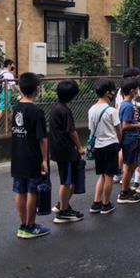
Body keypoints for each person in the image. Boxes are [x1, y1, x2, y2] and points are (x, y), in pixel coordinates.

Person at [11, 72, 50, 239]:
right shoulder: (37, 112)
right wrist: (44, 160)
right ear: (37, 89)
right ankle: (31, 226)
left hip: (17, 155)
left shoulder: (16, 108)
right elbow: (42, 138)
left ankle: (22, 225)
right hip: (33, 156)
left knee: (20, 191)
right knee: (32, 190)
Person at [49, 80, 85, 223]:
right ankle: (63, 212)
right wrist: (80, 147)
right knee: (67, 182)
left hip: (58, 149)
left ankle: (62, 205)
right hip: (66, 150)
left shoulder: (56, 107)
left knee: (67, 179)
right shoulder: (64, 110)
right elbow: (71, 131)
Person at [88, 80, 122, 215]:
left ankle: (96, 203)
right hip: (111, 144)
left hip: (98, 146)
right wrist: (119, 142)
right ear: (108, 93)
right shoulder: (111, 111)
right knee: (109, 175)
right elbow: (118, 130)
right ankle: (106, 204)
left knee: (101, 175)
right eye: (112, 91)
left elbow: (91, 129)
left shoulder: (91, 109)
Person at [117, 78, 140, 204]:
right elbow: (125, 125)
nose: (138, 91)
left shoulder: (125, 104)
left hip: (131, 139)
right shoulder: (127, 106)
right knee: (129, 166)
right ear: (132, 91)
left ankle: (126, 189)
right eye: (136, 89)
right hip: (130, 139)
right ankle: (124, 192)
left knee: (132, 165)